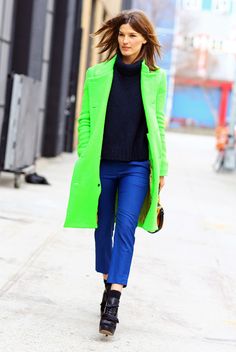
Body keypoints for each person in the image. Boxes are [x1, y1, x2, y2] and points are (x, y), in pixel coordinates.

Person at [64, 9, 168, 337]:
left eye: (132, 36)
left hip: (137, 166)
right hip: (102, 166)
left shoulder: (155, 77)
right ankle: (108, 281)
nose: (125, 41)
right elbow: (84, 119)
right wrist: (85, 152)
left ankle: (113, 301)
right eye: (122, 35)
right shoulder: (96, 74)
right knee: (102, 229)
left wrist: (161, 166)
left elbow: (159, 125)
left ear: (144, 40)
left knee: (126, 229)